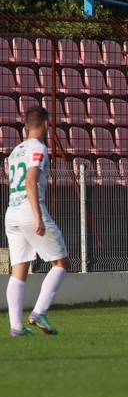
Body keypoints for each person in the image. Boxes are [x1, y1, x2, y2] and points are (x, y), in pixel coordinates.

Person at [5, 105, 70, 336]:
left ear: (26, 126)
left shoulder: (15, 152)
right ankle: (39, 312)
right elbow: (31, 181)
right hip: (29, 211)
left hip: (12, 212)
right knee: (61, 263)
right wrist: (37, 216)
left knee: (18, 271)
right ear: (46, 124)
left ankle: (16, 327)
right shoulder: (39, 148)